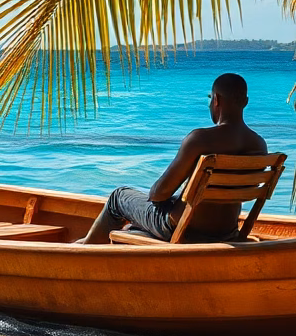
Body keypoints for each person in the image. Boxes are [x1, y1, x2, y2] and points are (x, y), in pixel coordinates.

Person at [77, 73, 267, 244]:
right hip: (226, 231)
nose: (210, 103)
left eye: (210, 98)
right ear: (245, 101)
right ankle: (113, 237)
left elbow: (159, 194)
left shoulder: (200, 139)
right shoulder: (259, 145)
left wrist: (158, 195)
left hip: (183, 228)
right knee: (137, 222)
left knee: (118, 197)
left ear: (216, 99)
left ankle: (84, 251)